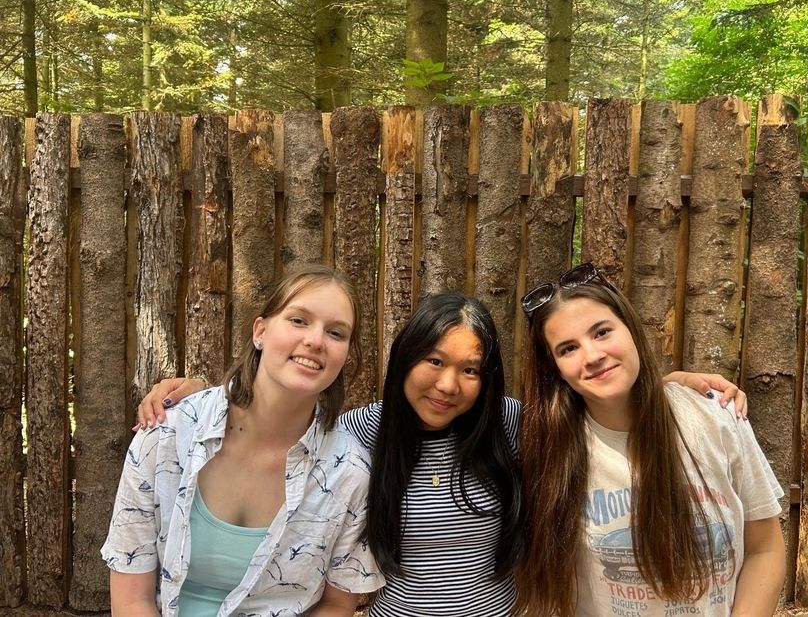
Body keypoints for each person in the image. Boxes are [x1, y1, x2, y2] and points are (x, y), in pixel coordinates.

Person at [137, 291, 747, 616]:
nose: (448, 385)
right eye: (433, 361)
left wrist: (671, 383)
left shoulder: (515, 430)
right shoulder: (357, 435)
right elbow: (276, 418)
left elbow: (596, 401)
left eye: (471, 370)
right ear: (405, 360)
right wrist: (202, 393)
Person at [102, 264, 383, 616]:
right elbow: (131, 599)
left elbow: (335, 605)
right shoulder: (167, 435)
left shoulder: (350, 473)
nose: (314, 340)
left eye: (336, 333)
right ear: (260, 331)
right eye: (298, 320)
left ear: (346, 355)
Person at [516, 262, 786, 617]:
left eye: (601, 332)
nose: (593, 356)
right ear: (554, 368)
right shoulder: (545, 446)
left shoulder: (716, 417)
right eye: (568, 349)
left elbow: (764, 548)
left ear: (630, 329)